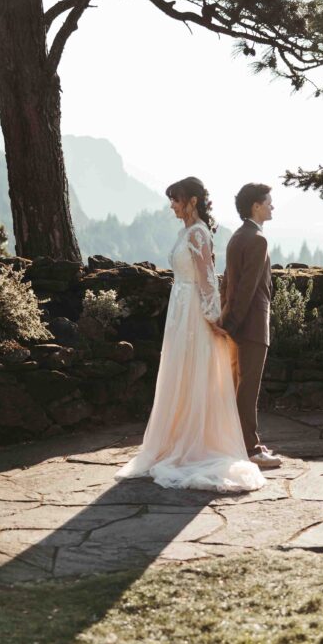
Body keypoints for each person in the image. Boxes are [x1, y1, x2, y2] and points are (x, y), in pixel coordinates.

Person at [116, 177, 266, 492]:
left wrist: (214, 318)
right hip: (180, 310)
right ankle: (174, 439)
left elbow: (208, 279)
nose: (172, 205)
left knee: (195, 372)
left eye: (176, 199)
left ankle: (196, 442)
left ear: (192, 201)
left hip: (195, 314)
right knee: (179, 372)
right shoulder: (185, 232)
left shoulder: (198, 233)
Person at [220, 183, 281, 468]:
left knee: (239, 387)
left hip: (236, 325)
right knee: (247, 390)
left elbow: (227, 282)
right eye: (268, 202)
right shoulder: (258, 239)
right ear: (256, 206)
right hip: (252, 325)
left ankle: (239, 442)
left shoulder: (237, 236)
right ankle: (251, 449)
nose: (272, 206)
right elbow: (247, 287)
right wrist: (232, 323)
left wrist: (226, 319)